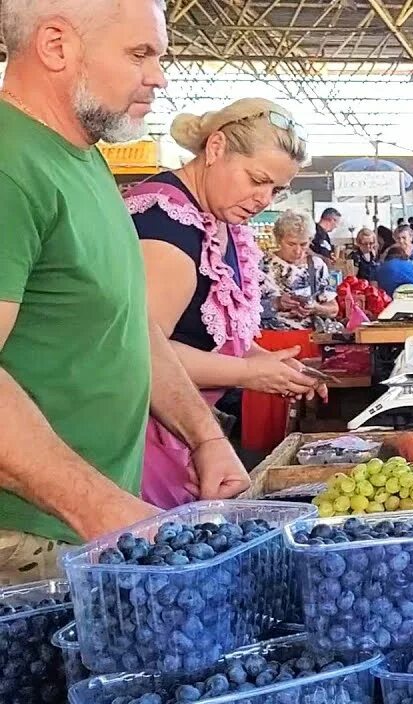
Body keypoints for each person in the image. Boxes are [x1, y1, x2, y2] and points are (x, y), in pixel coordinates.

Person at [0, 0, 250, 574]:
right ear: (56, 45)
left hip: (86, 532)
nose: (159, 75)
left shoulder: (83, 159)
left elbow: (127, 326)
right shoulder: (11, 166)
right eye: (140, 54)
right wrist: (101, 510)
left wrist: (203, 436)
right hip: (25, 543)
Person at [130, 99, 321, 509]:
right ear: (215, 148)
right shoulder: (166, 225)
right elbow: (141, 350)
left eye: (276, 189)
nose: (264, 199)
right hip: (144, 444)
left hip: (184, 435)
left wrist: (272, 366)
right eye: (257, 179)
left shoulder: (217, 218)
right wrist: (249, 373)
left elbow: (217, 336)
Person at [260, 210, 343, 334]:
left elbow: (333, 309)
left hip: (307, 339)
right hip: (269, 339)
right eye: (291, 244)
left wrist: (315, 308)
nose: (298, 251)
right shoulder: (260, 265)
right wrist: (276, 303)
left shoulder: (317, 265)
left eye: (304, 244)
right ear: (279, 239)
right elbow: (243, 311)